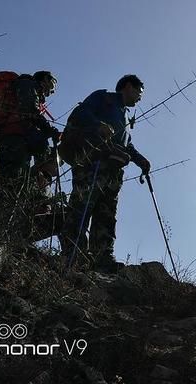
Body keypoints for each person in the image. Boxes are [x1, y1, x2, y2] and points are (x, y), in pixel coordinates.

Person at [60, 75, 150, 272]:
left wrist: (140, 159)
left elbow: (126, 144)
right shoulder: (103, 98)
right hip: (91, 163)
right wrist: (97, 125)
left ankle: (102, 258)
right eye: (139, 93)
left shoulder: (124, 115)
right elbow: (80, 114)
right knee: (81, 207)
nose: (140, 98)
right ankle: (72, 254)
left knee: (107, 214)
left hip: (112, 171)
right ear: (128, 86)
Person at [0, 71, 60, 215]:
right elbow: (29, 111)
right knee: (7, 181)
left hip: (19, 143)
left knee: (16, 182)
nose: (52, 91)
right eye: (53, 85)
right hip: (14, 142)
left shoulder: (31, 92)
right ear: (45, 79)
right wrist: (49, 130)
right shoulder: (27, 84)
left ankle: (5, 220)